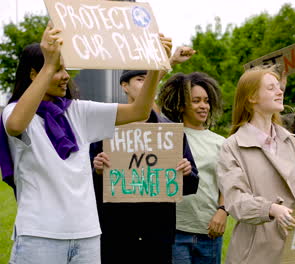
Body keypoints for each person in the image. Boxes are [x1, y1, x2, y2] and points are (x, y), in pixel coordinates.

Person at [0, 22, 172, 263]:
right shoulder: (13, 111)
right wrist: (50, 63)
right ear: (33, 74)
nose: (66, 76)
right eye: (59, 69)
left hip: (87, 235)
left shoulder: (78, 112)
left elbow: (139, 111)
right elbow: (16, 125)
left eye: (65, 68)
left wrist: (155, 68)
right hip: (40, 236)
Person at [90, 47, 200, 264]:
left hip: (157, 237)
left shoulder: (168, 130)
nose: (147, 85)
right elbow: (87, 184)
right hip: (116, 236)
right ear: (124, 85)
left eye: (150, 80)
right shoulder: (105, 128)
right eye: (141, 79)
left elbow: (191, 185)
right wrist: (97, 169)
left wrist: (186, 172)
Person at [216, 65, 295, 264]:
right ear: (252, 97)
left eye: (279, 87)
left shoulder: (291, 142)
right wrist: (270, 209)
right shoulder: (231, 147)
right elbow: (235, 200)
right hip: (255, 253)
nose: (280, 91)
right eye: (271, 88)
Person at [157, 72, 226, 264]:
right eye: (196, 101)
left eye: (206, 100)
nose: (203, 106)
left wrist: (222, 211)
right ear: (181, 105)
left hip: (209, 230)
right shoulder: (167, 136)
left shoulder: (221, 143)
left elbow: (227, 184)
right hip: (176, 230)